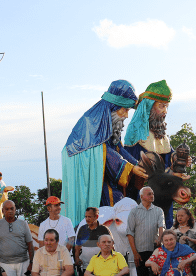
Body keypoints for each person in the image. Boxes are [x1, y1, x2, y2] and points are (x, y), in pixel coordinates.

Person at [61, 80, 148, 224]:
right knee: (113, 200)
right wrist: (131, 169)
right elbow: (103, 152)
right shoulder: (90, 122)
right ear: (114, 107)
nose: (126, 115)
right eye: (125, 110)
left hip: (105, 177)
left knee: (123, 201)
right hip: (91, 179)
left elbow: (118, 149)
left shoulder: (111, 124)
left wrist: (137, 164)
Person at [122, 80, 190, 227]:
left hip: (164, 197)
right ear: (149, 106)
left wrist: (180, 161)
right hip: (143, 197)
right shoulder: (135, 136)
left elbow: (171, 159)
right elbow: (133, 169)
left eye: (167, 107)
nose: (165, 111)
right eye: (162, 106)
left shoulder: (162, 137)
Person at [126, 186, 165, 276]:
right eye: (149, 194)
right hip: (140, 251)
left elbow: (162, 226)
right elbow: (130, 233)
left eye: (152, 193)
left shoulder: (158, 210)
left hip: (155, 250)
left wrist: (160, 238)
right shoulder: (134, 212)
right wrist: (135, 253)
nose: (152, 195)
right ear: (142, 197)